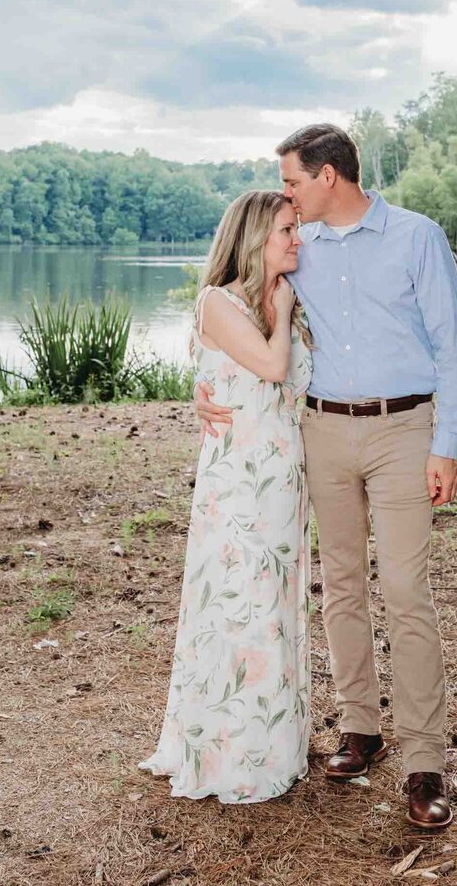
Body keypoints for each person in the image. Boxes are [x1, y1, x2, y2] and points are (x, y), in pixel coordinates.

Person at [197, 124, 457, 829]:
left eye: (291, 179)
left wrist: (446, 443)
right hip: (319, 428)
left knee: (407, 589)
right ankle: (361, 727)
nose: (284, 193)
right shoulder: (293, 245)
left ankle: (424, 760)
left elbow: (454, 347)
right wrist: (202, 391)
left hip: (404, 429)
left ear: (328, 175)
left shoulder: (416, 237)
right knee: (341, 582)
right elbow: (229, 305)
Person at [140, 190, 313, 804]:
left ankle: (273, 737)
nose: (298, 239)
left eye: (297, 228)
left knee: (278, 601)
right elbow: (268, 366)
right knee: (241, 599)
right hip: (238, 482)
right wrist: (284, 309)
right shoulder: (221, 301)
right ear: (254, 238)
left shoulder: (290, 294)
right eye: (287, 231)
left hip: (284, 480)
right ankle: (230, 748)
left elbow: (291, 385)